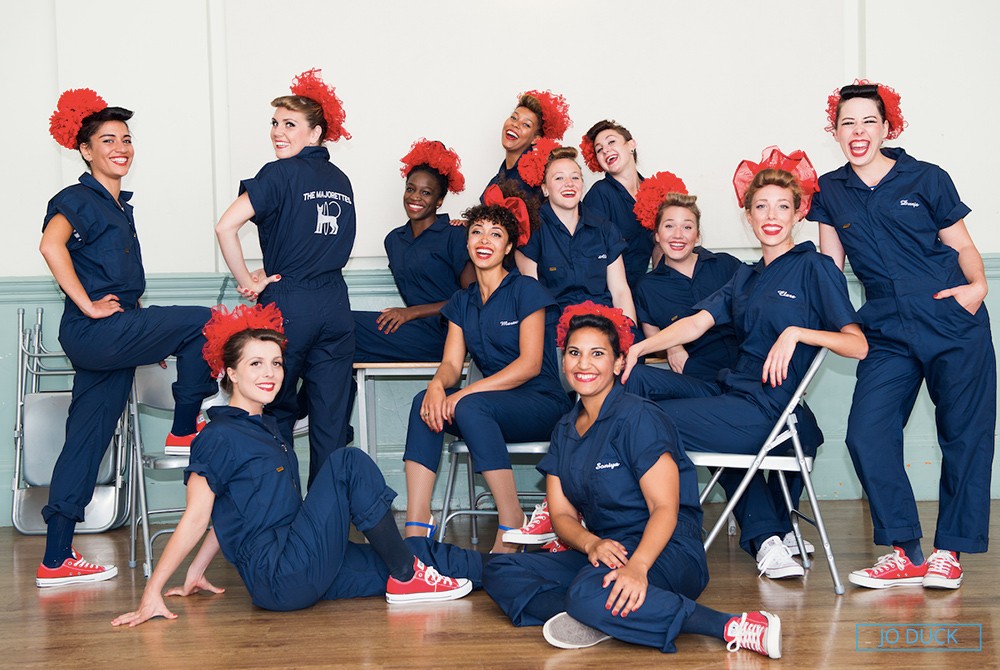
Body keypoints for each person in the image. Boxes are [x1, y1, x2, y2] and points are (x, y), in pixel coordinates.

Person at [111, 305, 478, 627]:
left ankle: (509, 572)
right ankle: (406, 578)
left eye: (276, 363)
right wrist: (151, 593)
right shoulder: (218, 436)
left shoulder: (268, 428)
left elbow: (232, 513)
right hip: (280, 574)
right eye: (255, 364)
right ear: (231, 374)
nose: (269, 373)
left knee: (414, 555)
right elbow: (196, 517)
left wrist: (196, 570)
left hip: (303, 559)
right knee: (345, 462)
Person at [622, 148, 868, 579]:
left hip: (769, 409)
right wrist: (642, 348)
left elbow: (857, 345)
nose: (771, 215)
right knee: (635, 382)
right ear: (749, 218)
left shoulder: (815, 267)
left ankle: (756, 537)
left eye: (782, 207)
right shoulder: (746, 276)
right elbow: (697, 323)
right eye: (760, 207)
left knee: (646, 421)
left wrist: (797, 333)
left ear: (797, 215)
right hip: (732, 392)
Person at [484, 304, 782, 659]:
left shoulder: (640, 416)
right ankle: (604, 615)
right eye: (575, 353)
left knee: (585, 594)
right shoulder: (564, 429)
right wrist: (591, 544)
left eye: (598, 354)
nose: (584, 364)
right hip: (606, 550)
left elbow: (665, 508)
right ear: (563, 361)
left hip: (667, 549)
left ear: (620, 363)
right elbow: (561, 516)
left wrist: (639, 567)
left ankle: (732, 625)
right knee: (502, 568)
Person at [810, 81, 996, 590]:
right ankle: (906, 552)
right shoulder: (829, 189)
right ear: (835, 131)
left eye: (869, 121)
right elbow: (830, 266)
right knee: (866, 433)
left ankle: (949, 551)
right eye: (847, 122)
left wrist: (977, 288)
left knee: (964, 436)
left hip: (950, 318)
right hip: (886, 327)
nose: (858, 131)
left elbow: (962, 245)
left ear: (889, 127)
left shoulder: (926, 177)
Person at [36, 89, 217, 588]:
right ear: (86, 150)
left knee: (86, 439)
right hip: (95, 328)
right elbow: (51, 246)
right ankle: (183, 427)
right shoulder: (79, 199)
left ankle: (56, 558)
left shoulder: (118, 205)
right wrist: (90, 305)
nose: (121, 147)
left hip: (109, 333)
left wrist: (144, 336)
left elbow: (112, 280)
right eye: (108, 139)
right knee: (206, 318)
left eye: (127, 139)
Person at [402, 196, 573, 553]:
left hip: (541, 404)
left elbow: (529, 364)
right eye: (477, 232)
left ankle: (511, 520)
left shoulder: (527, 290)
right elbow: (451, 365)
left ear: (508, 246)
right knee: (423, 403)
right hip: (492, 406)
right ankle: (417, 526)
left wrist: (465, 394)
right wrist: (436, 385)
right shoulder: (462, 301)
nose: (484, 240)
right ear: (467, 242)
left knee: (469, 406)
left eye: (495, 235)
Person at [215, 69, 356, 485]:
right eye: (275, 123)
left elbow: (225, 227)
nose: (278, 132)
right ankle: (327, 528)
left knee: (273, 411)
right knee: (330, 424)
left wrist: (247, 280)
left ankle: (278, 516)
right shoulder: (341, 181)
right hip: (336, 305)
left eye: (289, 124)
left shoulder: (277, 174)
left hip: (290, 304)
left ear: (314, 134)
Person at [352, 139, 474, 363]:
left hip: (447, 337)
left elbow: (473, 297)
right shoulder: (394, 240)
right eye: (410, 189)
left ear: (439, 201)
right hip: (411, 330)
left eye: (426, 193)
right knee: (334, 345)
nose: (415, 197)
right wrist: (408, 316)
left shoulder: (454, 235)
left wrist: (411, 312)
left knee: (339, 326)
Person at [628, 171, 743, 389]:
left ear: (697, 234)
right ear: (658, 235)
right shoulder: (648, 287)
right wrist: (673, 346)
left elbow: (756, 315)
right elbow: (654, 338)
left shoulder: (726, 265)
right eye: (669, 226)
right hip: (697, 379)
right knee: (635, 378)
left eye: (687, 227)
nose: (678, 235)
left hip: (745, 370)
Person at [515, 145, 637, 323]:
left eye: (575, 177)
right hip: (555, 328)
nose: (569, 183)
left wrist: (628, 335)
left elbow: (620, 291)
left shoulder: (605, 229)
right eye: (559, 178)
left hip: (602, 325)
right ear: (545, 189)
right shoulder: (531, 229)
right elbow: (531, 297)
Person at [580, 119, 654, 290]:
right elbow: (593, 260)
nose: (605, 150)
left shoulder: (653, 189)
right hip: (613, 292)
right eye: (599, 150)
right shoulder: (598, 195)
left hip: (647, 288)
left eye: (611, 141)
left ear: (631, 145)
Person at [481, 89, 571, 203]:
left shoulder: (532, 181)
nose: (515, 124)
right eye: (514, 117)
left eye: (526, 124)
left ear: (535, 139)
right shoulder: (500, 176)